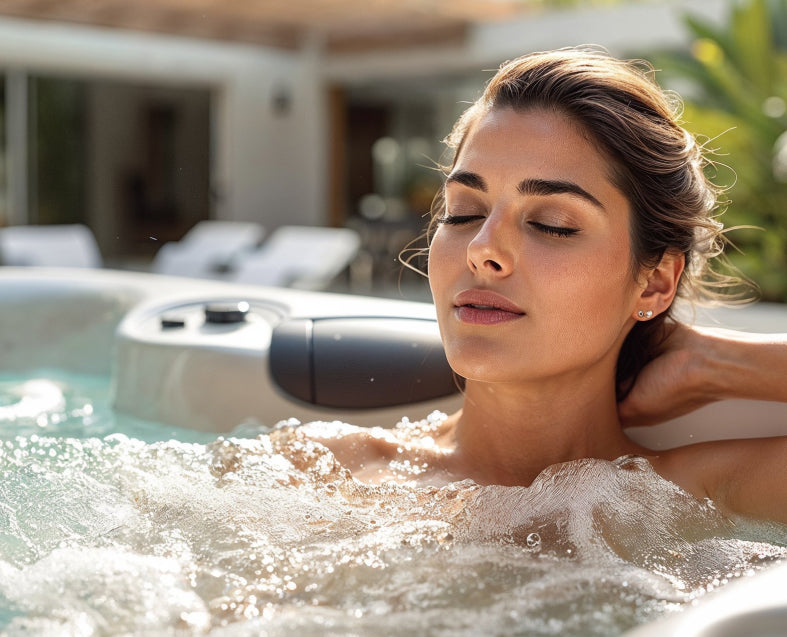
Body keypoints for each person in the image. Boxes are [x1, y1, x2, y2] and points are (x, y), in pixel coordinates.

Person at [305, 47, 787, 524]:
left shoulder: (710, 497)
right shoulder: (316, 472)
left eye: (553, 224)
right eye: (463, 213)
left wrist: (713, 364)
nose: (482, 247)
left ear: (654, 283)